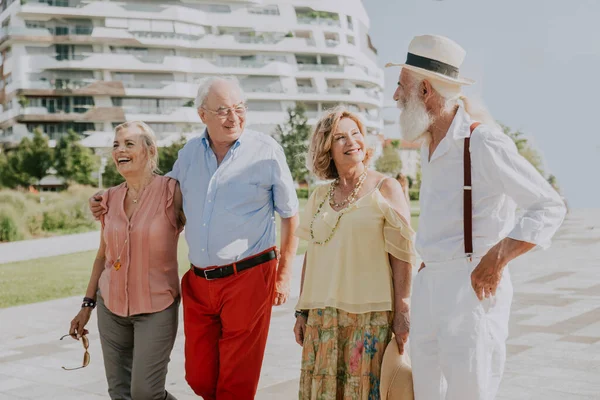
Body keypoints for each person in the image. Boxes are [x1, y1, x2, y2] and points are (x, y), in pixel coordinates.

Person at [90, 76, 299, 400]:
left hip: (249, 275)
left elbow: (290, 214)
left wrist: (284, 275)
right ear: (203, 115)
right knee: (200, 379)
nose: (234, 117)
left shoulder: (266, 151)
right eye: (223, 110)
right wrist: (109, 197)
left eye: (239, 109)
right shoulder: (189, 153)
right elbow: (155, 191)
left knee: (235, 384)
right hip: (200, 282)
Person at [386, 34, 567, 399]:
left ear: (425, 90)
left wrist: (498, 257)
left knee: (472, 391)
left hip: (469, 289)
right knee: (427, 393)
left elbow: (549, 205)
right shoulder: (428, 144)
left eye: (400, 87)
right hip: (431, 284)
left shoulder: (482, 142)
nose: (394, 97)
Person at [293, 106, 416, 399]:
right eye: (340, 137)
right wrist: (302, 310)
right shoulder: (319, 196)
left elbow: (402, 255)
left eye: (356, 133)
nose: (352, 142)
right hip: (324, 318)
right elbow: (313, 254)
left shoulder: (385, 188)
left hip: (370, 318)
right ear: (326, 149)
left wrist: (403, 311)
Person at [71, 121, 184, 400]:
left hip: (157, 306)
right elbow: (103, 255)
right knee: (120, 392)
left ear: (150, 150)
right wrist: (87, 304)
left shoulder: (172, 192)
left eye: (129, 144)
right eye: (116, 145)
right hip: (111, 307)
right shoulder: (107, 198)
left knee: (146, 393)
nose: (120, 150)